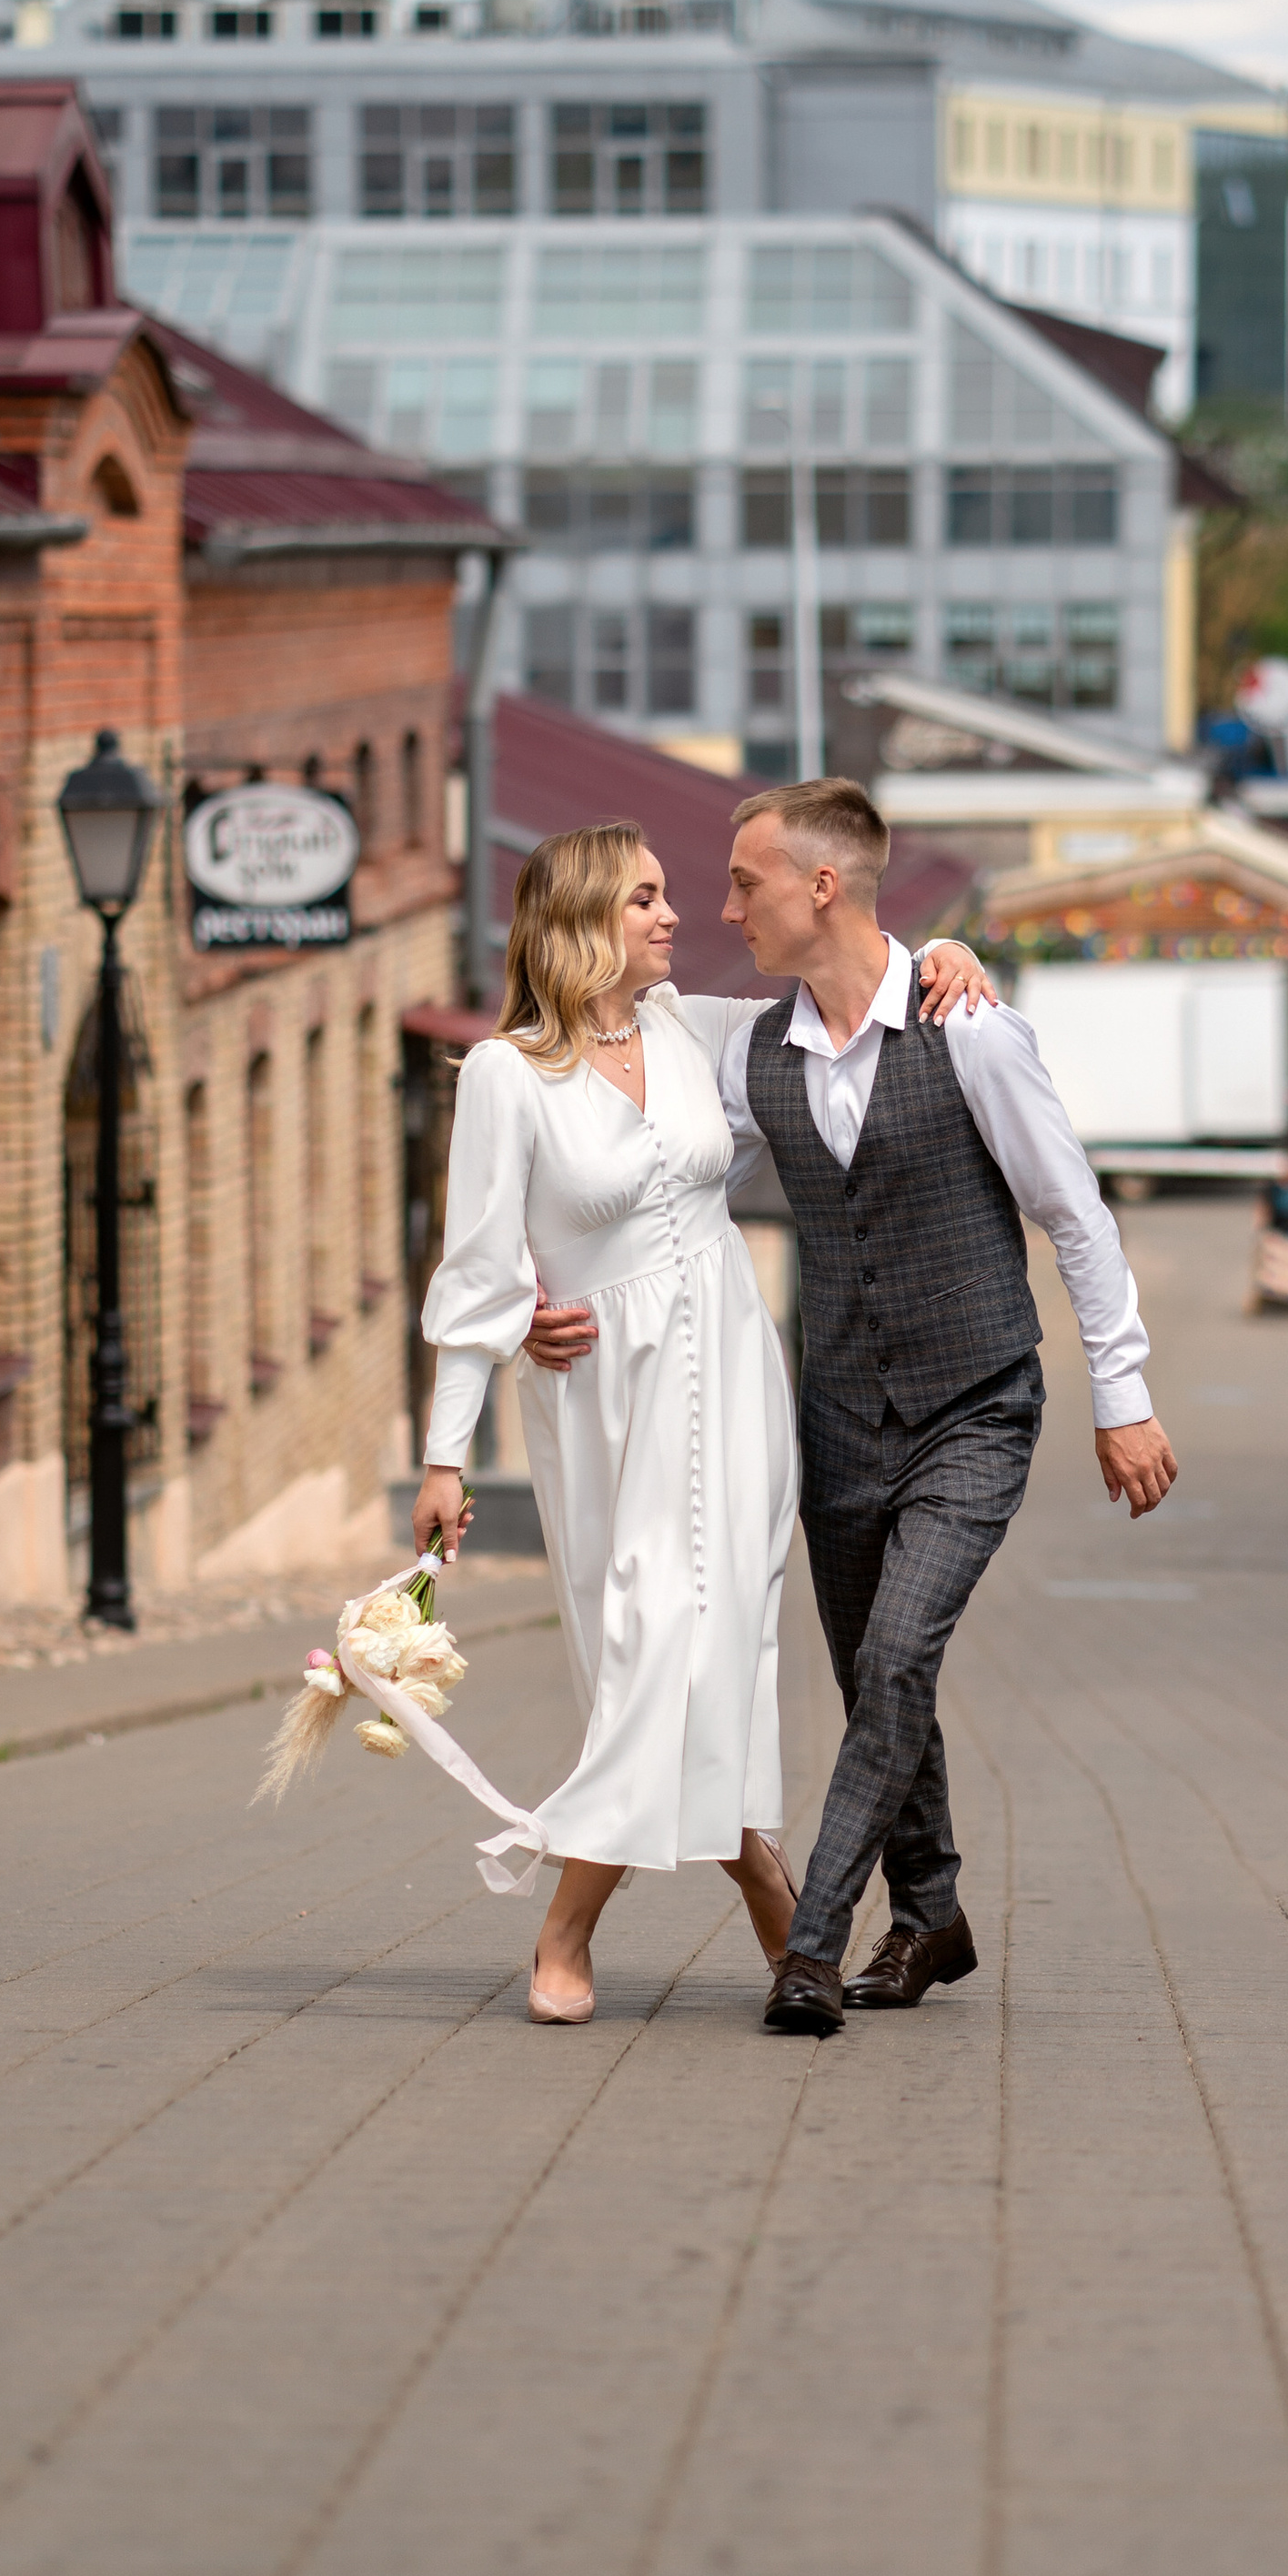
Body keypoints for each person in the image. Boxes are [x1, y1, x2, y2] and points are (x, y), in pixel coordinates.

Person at [527, 778, 1177, 2038]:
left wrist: (1126, 1394)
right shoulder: (745, 1048)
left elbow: (1074, 1217)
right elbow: (625, 1154)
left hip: (976, 1404)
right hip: (834, 1420)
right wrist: (529, 1303)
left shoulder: (974, 1029)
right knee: (885, 1675)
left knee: (893, 1659)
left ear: (822, 887)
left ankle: (814, 1945)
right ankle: (931, 1915)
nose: (723, 909)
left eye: (746, 883)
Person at [409, 822, 991, 2024]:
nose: (674, 916)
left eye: (671, 896)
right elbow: (474, 1275)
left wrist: (949, 952)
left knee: (717, 1650)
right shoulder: (506, 1075)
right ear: (577, 926)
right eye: (644, 900)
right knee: (648, 1651)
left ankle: (601, 1933)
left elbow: (849, 980)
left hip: (731, 1381)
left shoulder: (701, 1030)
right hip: (601, 1399)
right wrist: (445, 1452)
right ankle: (768, 1901)